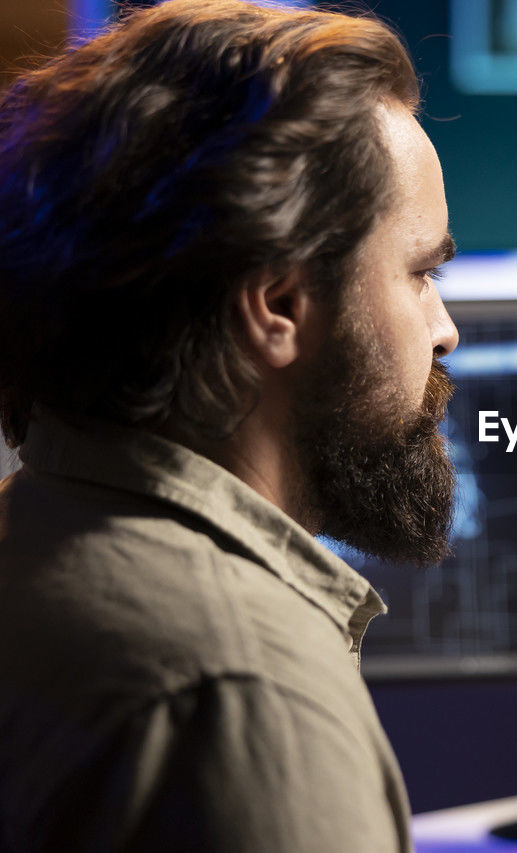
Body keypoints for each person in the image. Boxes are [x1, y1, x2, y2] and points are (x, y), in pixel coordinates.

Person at [0, 1, 459, 849]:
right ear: (279, 303)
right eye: (421, 272)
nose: (445, 330)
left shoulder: (29, 528)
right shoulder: (246, 696)